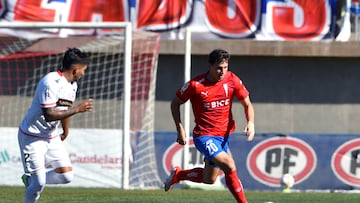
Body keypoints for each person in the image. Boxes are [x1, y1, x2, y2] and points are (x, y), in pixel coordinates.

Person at [164, 49, 255, 203]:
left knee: (209, 179)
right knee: (229, 165)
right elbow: (175, 103)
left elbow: (247, 103)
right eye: (219, 68)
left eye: (225, 67)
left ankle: (178, 175)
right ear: (210, 66)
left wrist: (250, 122)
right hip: (204, 136)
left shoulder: (232, 80)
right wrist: (180, 128)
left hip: (224, 136)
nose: (222, 72)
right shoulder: (195, 85)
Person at [18, 48, 94, 203]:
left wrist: (65, 130)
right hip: (32, 137)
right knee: (38, 184)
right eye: (83, 70)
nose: (83, 74)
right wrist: (77, 109)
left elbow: (65, 108)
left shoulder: (72, 84)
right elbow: (49, 114)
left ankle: (30, 180)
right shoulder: (50, 82)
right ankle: (33, 183)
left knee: (66, 175)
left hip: (51, 136)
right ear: (75, 69)